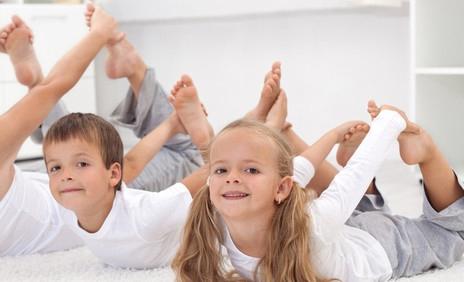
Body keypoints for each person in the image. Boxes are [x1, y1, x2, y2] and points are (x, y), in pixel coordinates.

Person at [173, 94, 464, 281]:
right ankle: (368, 194)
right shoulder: (214, 221)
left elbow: (351, 177)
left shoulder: (311, 223)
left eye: (249, 169)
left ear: (281, 189)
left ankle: (424, 147)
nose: (231, 178)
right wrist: (334, 135)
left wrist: (389, 124)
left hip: (383, 246)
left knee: (452, 233)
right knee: (344, 210)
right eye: (221, 169)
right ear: (209, 181)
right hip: (342, 233)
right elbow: (300, 167)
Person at [0, 4, 122, 256]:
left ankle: (35, 84)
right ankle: (35, 83)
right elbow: (56, 85)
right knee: (173, 159)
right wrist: (100, 33)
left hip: (29, 185)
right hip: (69, 200)